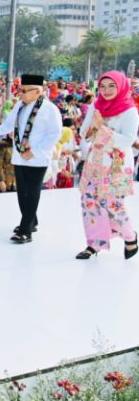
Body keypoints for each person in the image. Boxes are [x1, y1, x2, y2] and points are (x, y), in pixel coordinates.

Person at [75, 71, 139, 260]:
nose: (106, 90)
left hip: (116, 164)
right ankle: (95, 243)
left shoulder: (129, 110)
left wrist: (100, 128)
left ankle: (130, 236)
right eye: (102, 86)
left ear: (121, 86)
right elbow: (84, 131)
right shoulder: (96, 105)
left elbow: (127, 140)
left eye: (111, 86)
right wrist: (94, 128)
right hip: (95, 162)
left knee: (113, 204)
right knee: (89, 202)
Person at [0, 74, 62, 244]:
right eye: (20, 90)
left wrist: (35, 151)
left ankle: (25, 230)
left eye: (24, 90)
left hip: (37, 158)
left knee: (32, 193)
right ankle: (32, 221)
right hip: (19, 155)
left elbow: (55, 134)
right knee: (22, 193)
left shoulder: (50, 109)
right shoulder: (19, 106)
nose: (20, 93)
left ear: (38, 91)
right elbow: (7, 125)